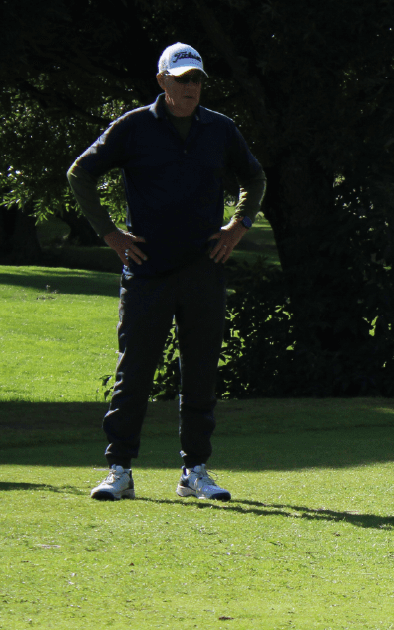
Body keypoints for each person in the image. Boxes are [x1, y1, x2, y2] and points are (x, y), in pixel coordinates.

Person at [67, 43, 266, 502]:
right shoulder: (134, 126)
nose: (191, 87)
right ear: (162, 81)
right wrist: (110, 234)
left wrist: (238, 225)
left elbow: (253, 177)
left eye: (196, 79)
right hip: (147, 269)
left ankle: (195, 471)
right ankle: (119, 470)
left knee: (200, 374)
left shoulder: (220, 128)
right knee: (134, 372)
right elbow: (80, 173)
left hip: (203, 269)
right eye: (182, 79)